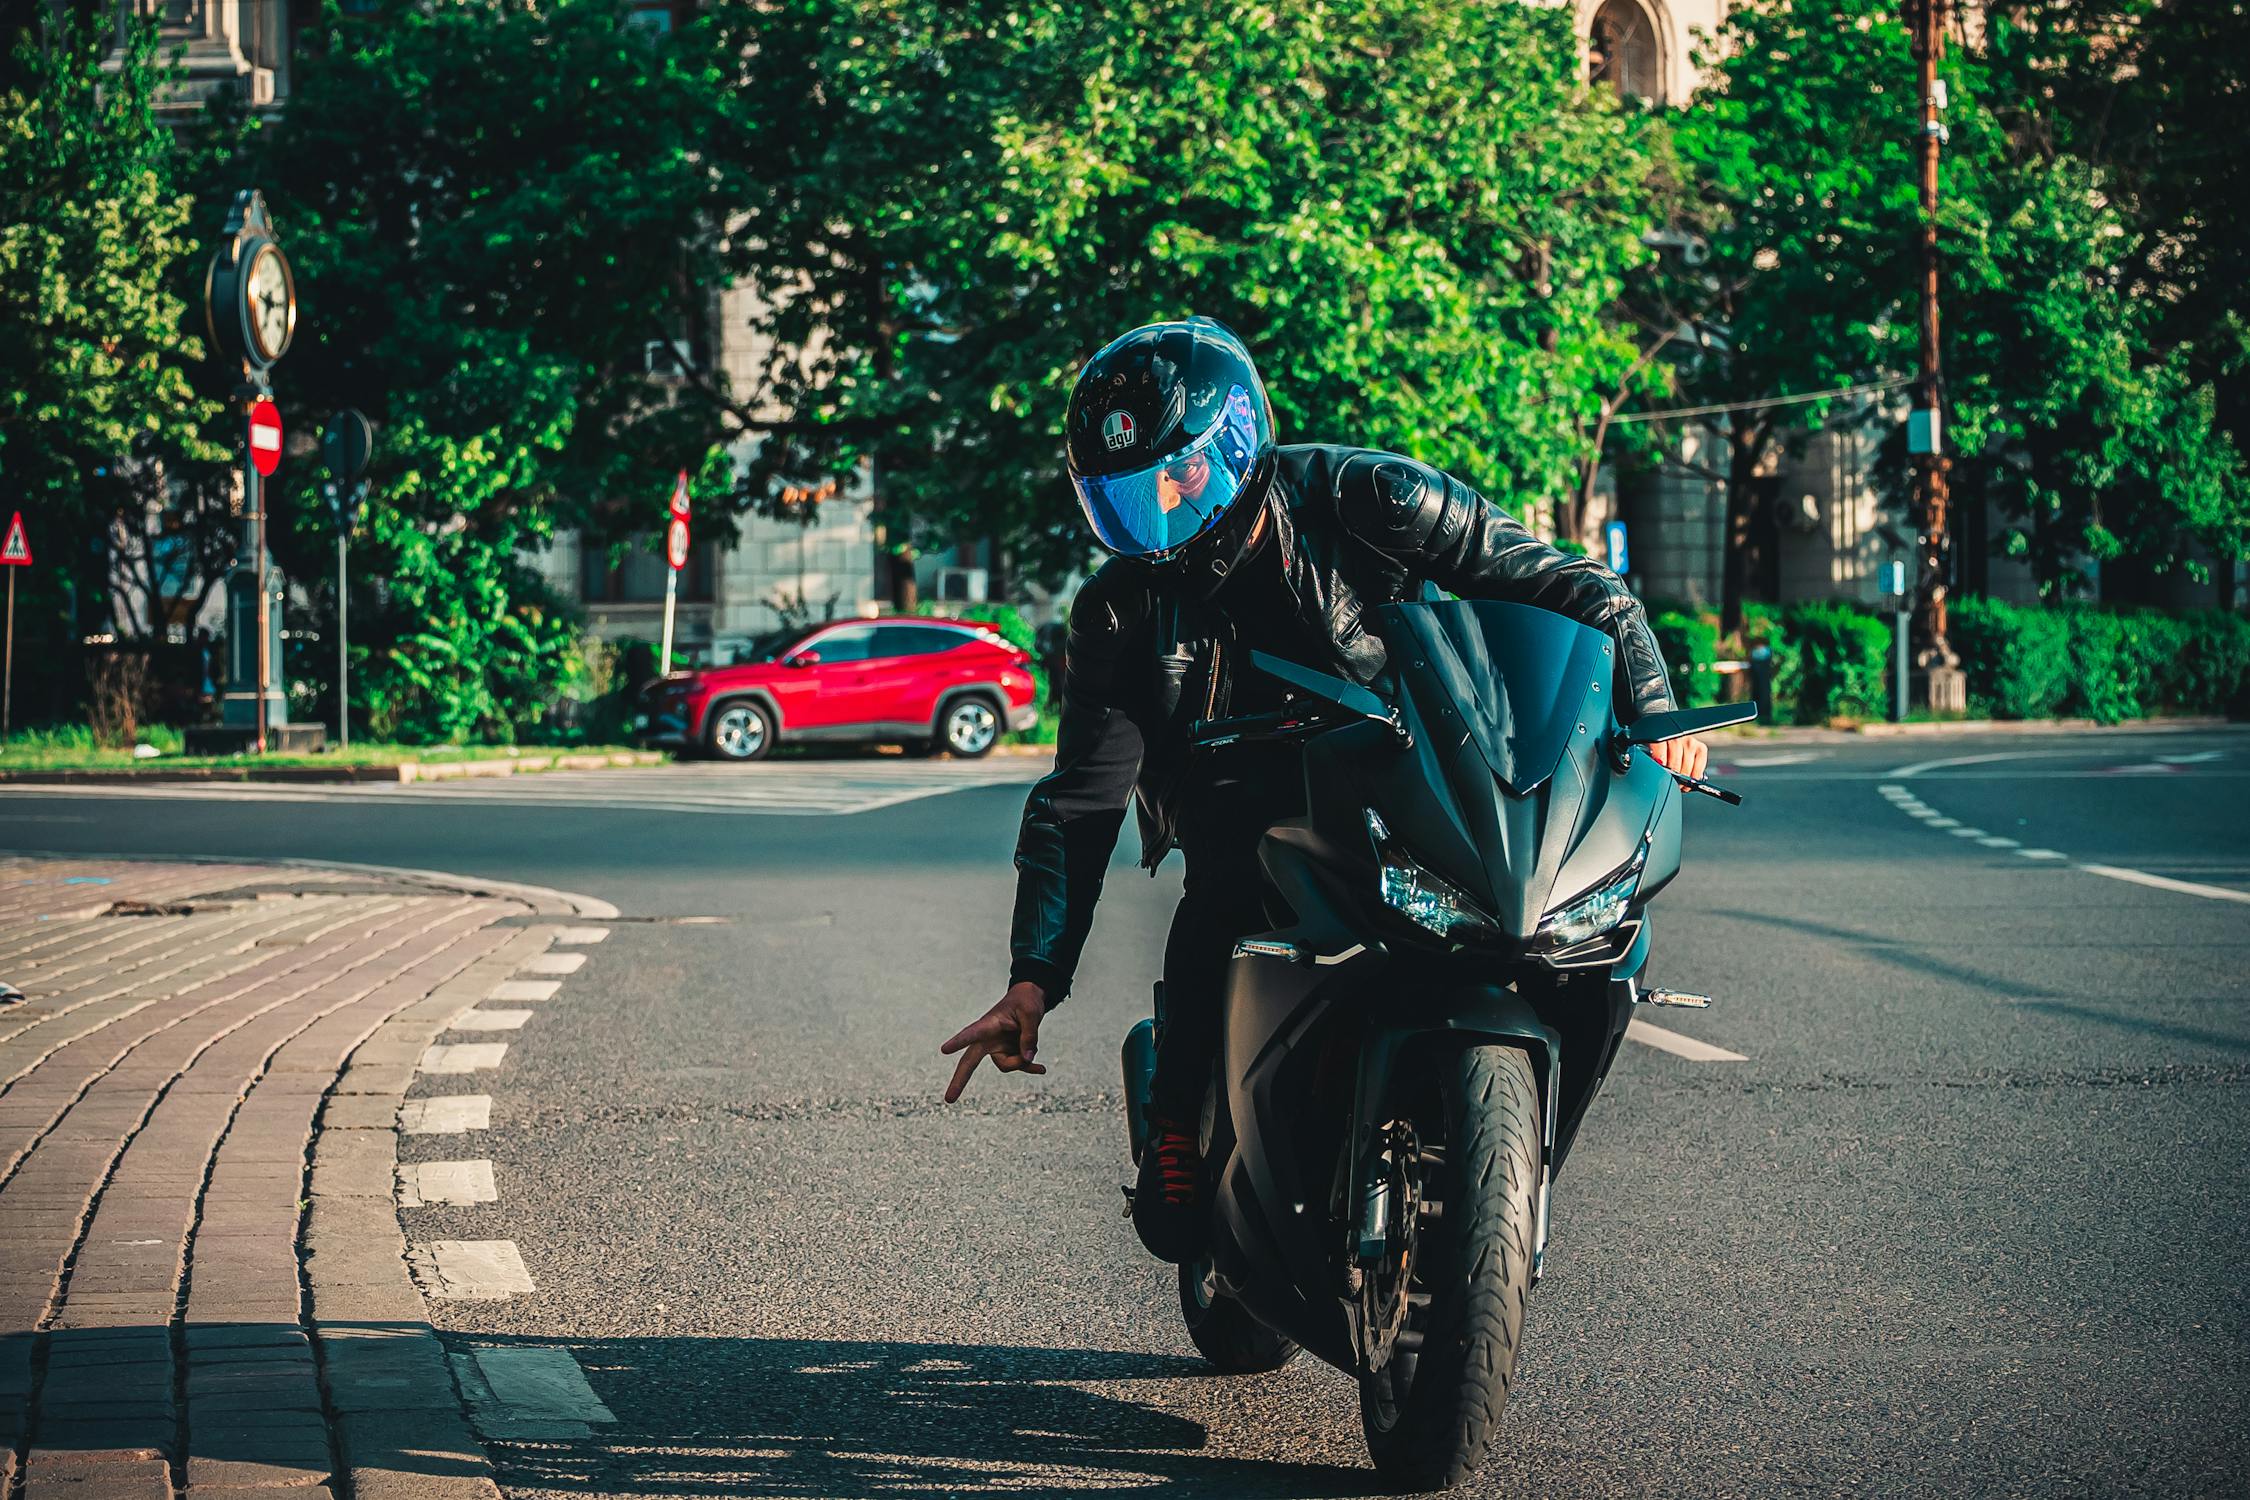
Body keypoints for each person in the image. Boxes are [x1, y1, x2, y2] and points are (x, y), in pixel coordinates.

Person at [939, 317, 1705, 1263]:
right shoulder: (1118, 610)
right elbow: (1081, 801)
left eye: (1179, 473)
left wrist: (1657, 709)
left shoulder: (1369, 497)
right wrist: (1032, 981)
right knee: (1217, 898)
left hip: (1400, 764)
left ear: (1235, 443)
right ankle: (1180, 1120)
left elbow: (1570, 589)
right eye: (1130, 496)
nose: (1162, 507)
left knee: (1545, 917)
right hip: (1237, 800)